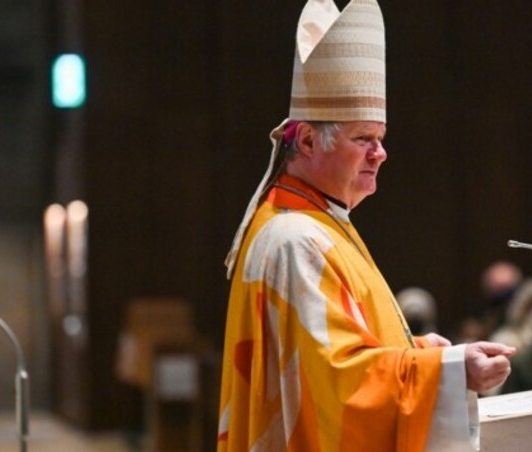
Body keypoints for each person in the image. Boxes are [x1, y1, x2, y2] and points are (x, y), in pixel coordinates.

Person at [216, 1, 515, 450]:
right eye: (363, 139)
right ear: (311, 140)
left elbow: (331, 352)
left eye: (381, 139)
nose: (380, 154)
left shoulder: (317, 222)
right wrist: (449, 373)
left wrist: (418, 352)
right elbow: (337, 384)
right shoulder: (295, 240)